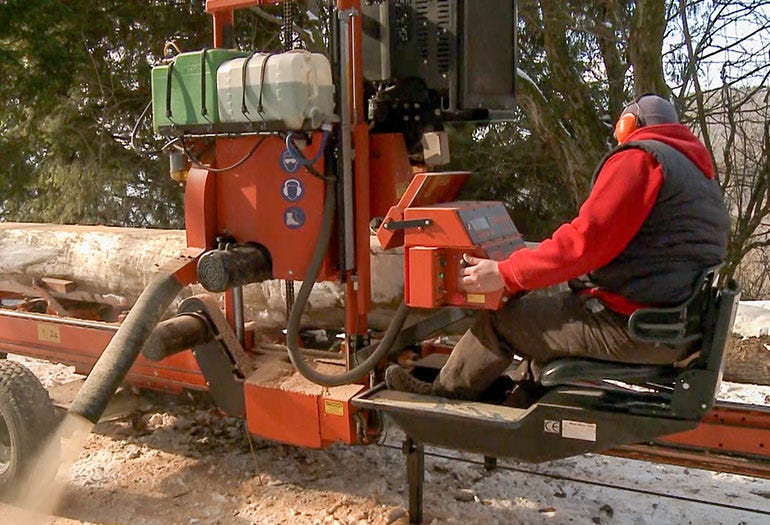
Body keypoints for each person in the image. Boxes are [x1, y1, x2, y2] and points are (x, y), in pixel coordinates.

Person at [385, 93, 730, 400]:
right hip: (673, 325)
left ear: (630, 124)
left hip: (633, 327)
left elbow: (584, 243)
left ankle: (442, 395)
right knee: (547, 309)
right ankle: (519, 399)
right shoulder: (698, 175)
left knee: (502, 321)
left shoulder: (641, 160)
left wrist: (504, 273)